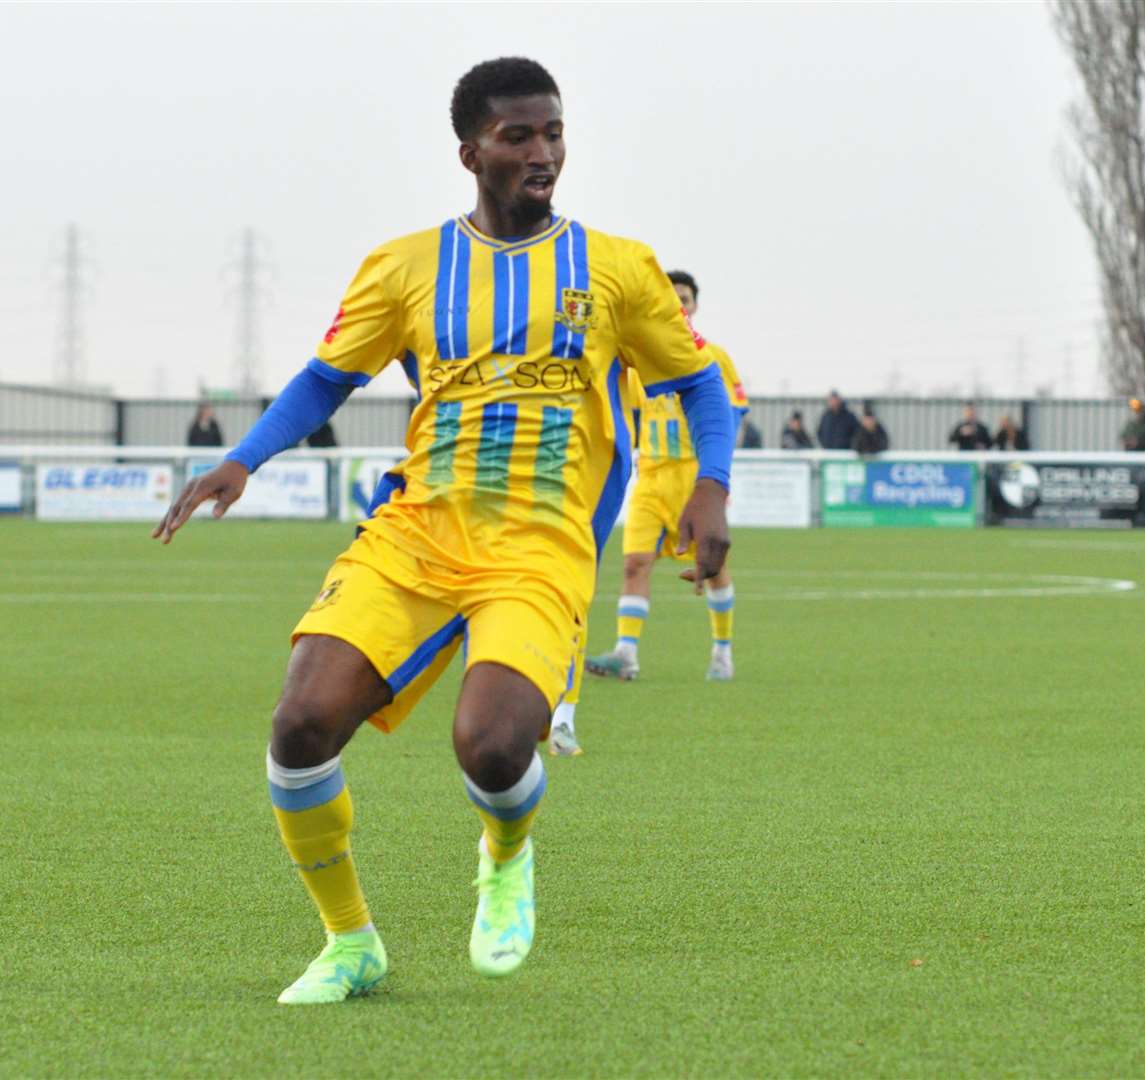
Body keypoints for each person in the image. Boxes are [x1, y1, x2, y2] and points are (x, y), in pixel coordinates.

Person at [151, 57, 733, 1004]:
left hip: (537, 549)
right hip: (415, 535)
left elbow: (700, 382)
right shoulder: (406, 267)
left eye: (553, 132)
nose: (543, 152)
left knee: (495, 748)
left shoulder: (618, 269)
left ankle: (506, 856)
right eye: (519, 136)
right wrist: (243, 459)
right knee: (299, 726)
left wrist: (710, 486)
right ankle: (351, 943)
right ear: (471, 151)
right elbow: (324, 379)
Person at [567, 269, 747, 746]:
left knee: (712, 566)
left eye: (685, 299)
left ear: (695, 305)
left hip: (692, 476)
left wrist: (718, 479)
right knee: (634, 563)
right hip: (650, 477)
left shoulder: (715, 358)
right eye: (672, 299)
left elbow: (731, 416)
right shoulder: (639, 355)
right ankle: (627, 653)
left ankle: (722, 650)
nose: (679, 305)